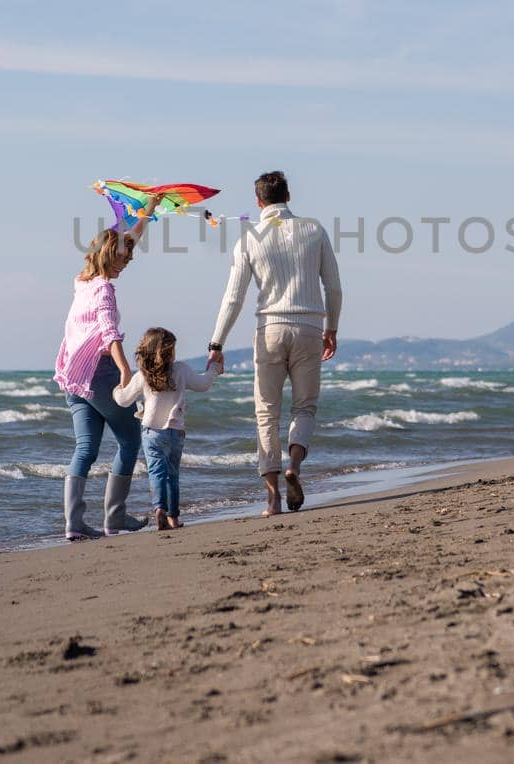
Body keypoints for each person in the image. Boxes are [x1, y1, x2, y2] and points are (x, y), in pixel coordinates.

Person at [207, 171, 342, 517]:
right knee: (305, 407)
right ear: (288, 196)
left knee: (266, 413)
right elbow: (334, 288)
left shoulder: (249, 238)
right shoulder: (314, 230)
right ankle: (294, 465)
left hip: (269, 329)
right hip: (310, 327)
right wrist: (332, 328)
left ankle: (272, 499)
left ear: (259, 202)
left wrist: (216, 342)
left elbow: (233, 298)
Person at [53, 194, 158, 540]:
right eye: (123, 260)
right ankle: (115, 517)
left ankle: (74, 524)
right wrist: (125, 370)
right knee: (130, 441)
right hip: (99, 373)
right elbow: (109, 332)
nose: (126, 264)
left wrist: (150, 210)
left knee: (85, 449)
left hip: (73, 376)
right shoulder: (104, 291)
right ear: (109, 256)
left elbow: (128, 236)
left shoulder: (80, 282)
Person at [112, 327, 221, 530]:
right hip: (176, 432)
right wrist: (214, 368)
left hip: (151, 432)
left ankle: (159, 509)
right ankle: (173, 518)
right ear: (169, 351)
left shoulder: (142, 375)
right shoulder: (180, 369)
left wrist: (117, 388)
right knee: (173, 475)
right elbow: (203, 384)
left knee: (156, 473)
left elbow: (123, 400)